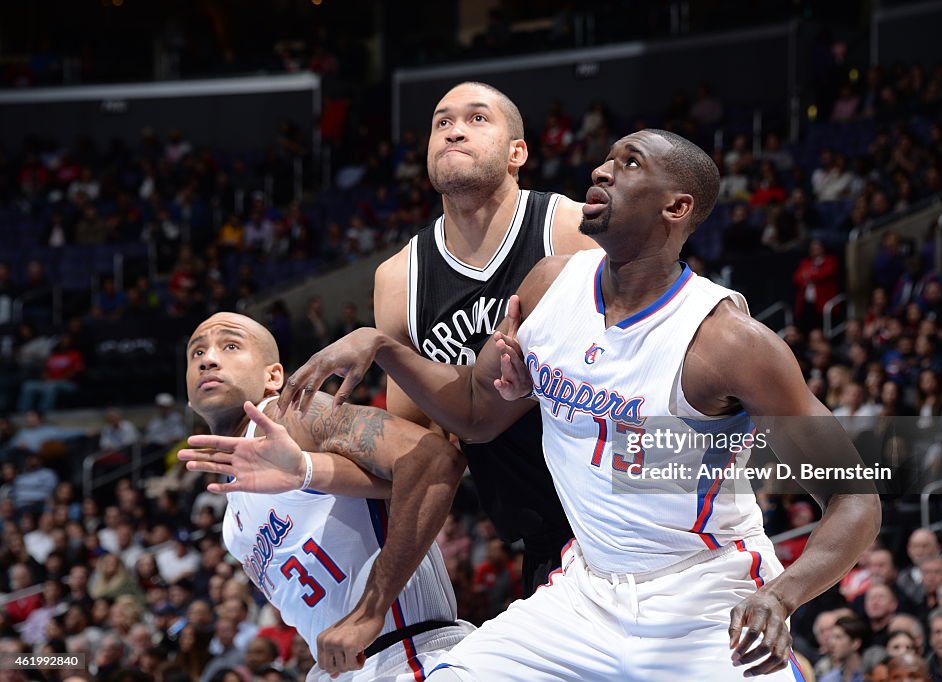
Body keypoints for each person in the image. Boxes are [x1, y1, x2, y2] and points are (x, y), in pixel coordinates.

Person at [224, 129, 880, 678]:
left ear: (675, 207)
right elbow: (477, 415)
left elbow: (855, 497)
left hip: (704, 594)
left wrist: (783, 595)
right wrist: (385, 348)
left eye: (629, 165)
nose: (601, 169)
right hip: (586, 587)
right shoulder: (549, 285)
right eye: (607, 157)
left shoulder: (729, 342)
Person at [310, 82, 595, 595]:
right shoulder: (399, 279)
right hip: (544, 541)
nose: (455, 130)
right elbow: (417, 449)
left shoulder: (571, 228)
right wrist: (304, 467)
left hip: (631, 511)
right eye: (442, 122)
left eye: (477, 118)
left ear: (518, 153)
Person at [178, 312, 472, 680]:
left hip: (406, 655)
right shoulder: (230, 528)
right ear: (189, 397)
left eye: (230, 345)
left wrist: (370, 609)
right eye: (196, 353)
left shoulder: (291, 415)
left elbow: (432, 461)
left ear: (273, 376)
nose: (208, 358)